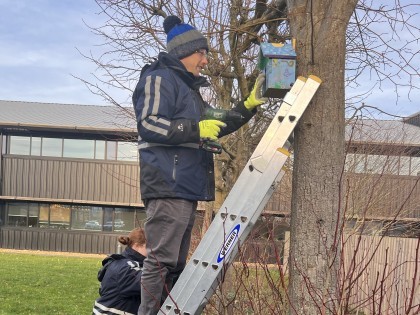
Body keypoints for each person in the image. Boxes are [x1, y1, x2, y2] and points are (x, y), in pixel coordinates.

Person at [132, 15, 267, 315]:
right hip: (168, 183)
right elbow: (149, 124)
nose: (205, 61)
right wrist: (195, 130)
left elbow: (214, 121)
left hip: (185, 186)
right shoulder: (158, 78)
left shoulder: (188, 91)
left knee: (175, 263)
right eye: (202, 53)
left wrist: (247, 107)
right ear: (184, 52)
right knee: (162, 261)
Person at [92, 228, 147, 315]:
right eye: (149, 247)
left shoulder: (124, 263)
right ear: (136, 245)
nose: (153, 252)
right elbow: (149, 283)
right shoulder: (125, 268)